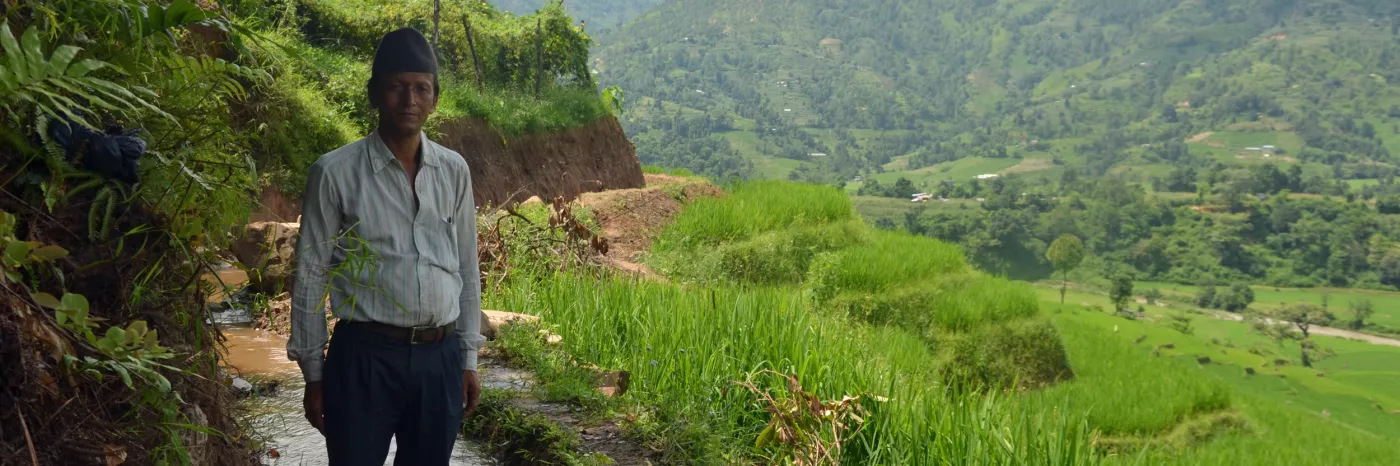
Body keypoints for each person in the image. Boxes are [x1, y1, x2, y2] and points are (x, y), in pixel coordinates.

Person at [286, 27, 485, 466]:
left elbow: (466, 272)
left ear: (435, 98)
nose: (408, 99)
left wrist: (467, 358)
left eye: (421, 88)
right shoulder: (334, 173)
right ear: (375, 93)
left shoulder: (454, 171)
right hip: (364, 359)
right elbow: (311, 273)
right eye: (396, 87)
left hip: (440, 358)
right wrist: (314, 373)